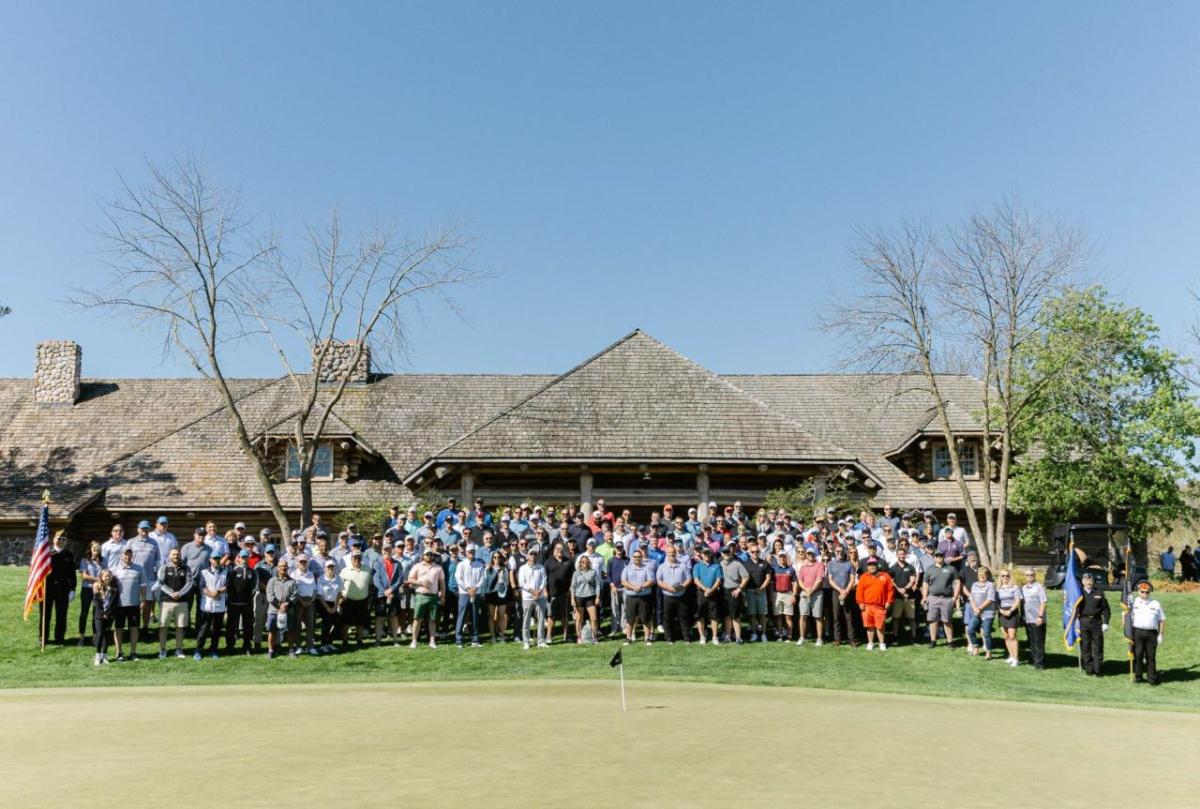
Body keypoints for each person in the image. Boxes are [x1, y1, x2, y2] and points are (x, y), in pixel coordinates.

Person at [1070, 572, 1110, 676]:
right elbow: (1073, 608)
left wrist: (1105, 622)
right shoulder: (1079, 594)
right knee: (1085, 646)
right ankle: (1089, 668)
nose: (1088, 582)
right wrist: (1075, 622)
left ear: (1093, 581)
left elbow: (1106, 610)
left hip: (1096, 622)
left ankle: (1098, 670)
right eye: (1086, 580)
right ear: (1083, 582)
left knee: (1098, 646)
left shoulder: (1099, 593)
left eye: (1090, 580)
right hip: (1083, 622)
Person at [156, 547, 193, 659]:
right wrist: (172, 593)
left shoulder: (186, 568)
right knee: (163, 627)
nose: (176, 556)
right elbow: (161, 583)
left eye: (177, 554)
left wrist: (180, 594)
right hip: (167, 602)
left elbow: (189, 583)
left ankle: (179, 650)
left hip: (182, 602)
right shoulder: (164, 568)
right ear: (169, 556)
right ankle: (162, 650)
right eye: (173, 554)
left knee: (180, 627)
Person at [405, 548, 445, 649]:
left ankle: (432, 640)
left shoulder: (438, 568)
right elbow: (409, 579)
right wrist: (421, 583)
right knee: (417, 619)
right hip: (420, 596)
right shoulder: (417, 566)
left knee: (432, 620)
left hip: (433, 596)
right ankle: (414, 640)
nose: (430, 556)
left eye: (431, 554)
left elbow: (442, 583)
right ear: (423, 556)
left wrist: (443, 596)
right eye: (427, 554)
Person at [42, 531, 76, 646]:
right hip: (48, 588)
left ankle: (60, 638)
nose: (61, 540)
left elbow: (72, 574)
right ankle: (43, 638)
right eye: (59, 538)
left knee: (61, 615)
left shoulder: (69, 555)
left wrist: (73, 589)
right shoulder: (46, 554)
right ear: (54, 539)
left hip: (63, 588)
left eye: (63, 539)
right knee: (45, 614)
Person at [1129, 580, 1166, 685]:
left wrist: (1161, 634)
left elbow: (1162, 620)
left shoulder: (1156, 603)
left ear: (1150, 592)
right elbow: (1127, 616)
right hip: (1137, 632)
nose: (1144, 594)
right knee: (1138, 655)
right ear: (1138, 591)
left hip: (1151, 633)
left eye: (1147, 592)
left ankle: (1152, 678)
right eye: (1142, 591)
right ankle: (1138, 677)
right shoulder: (1134, 602)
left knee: (1151, 656)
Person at [111, 547, 145, 660]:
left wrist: (143, 599)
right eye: (125, 555)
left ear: (132, 556)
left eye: (129, 555)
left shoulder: (139, 568)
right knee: (119, 628)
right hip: (119, 605)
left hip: (134, 604)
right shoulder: (114, 570)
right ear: (121, 556)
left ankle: (133, 652)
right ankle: (119, 652)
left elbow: (143, 585)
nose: (127, 557)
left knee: (134, 628)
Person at [921, 551, 960, 649]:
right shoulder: (930, 569)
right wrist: (925, 596)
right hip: (933, 597)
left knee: (947, 621)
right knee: (933, 620)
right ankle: (933, 641)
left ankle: (950, 642)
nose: (939, 557)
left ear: (944, 557)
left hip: (947, 598)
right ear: (934, 558)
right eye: (937, 556)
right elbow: (925, 584)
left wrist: (955, 597)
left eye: (941, 556)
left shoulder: (951, 568)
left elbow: (957, 582)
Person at [656, 544, 693, 644]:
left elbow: (689, 578)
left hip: (681, 595)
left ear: (676, 553)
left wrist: (683, 586)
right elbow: (659, 581)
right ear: (667, 554)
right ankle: (669, 638)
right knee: (668, 618)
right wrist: (668, 588)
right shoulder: (662, 567)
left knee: (684, 617)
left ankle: (686, 638)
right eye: (670, 552)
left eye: (673, 552)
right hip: (668, 596)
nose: (672, 554)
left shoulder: (683, 565)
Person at [855, 559, 894, 651]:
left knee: (880, 626)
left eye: (873, 565)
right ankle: (871, 643)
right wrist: (860, 602)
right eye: (869, 565)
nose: (871, 567)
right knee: (869, 626)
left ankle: (881, 643)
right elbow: (859, 591)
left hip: (880, 606)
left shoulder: (885, 576)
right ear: (867, 567)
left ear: (877, 566)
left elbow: (890, 590)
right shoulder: (863, 577)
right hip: (867, 606)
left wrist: (889, 602)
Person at [195, 551, 228, 660]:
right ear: (210, 560)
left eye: (218, 558)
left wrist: (217, 591)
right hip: (207, 606)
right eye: (214, 559)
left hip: (220, 607)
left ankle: (214, 650)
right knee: (204, 629)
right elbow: (202, 587)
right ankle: (198, 650)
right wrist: (212, 594)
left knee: (216, 631)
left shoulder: (226, 572)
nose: (216, 561)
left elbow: (228, 586)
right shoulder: (204, 572)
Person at [340, 549, 373, 649]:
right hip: (348, 600)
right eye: (355, 558)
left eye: (359, 558)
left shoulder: (367, 569)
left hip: (362, 600)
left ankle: (359, 639)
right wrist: (341, 597)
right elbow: (339, 585)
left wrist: (369, 599)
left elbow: (370, 585)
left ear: (361, 559)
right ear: (351, 559)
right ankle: (345, 640)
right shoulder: (345, 570)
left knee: (360, 622)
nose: (357, 560)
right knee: (346, 622)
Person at [225, 550, 257, 656]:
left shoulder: (252, 572)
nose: (244, 559)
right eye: (242, 557)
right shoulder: (232, 571)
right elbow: (228, 586)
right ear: (239, 558)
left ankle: (247, 646)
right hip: (233, 603)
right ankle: (230, 646)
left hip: (246, 604)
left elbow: (255, 586)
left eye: (246, 557)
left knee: (247, 626)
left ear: (248, 558)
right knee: (231, 626)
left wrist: (249, 597)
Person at [620, 549, 655, 646]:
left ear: (642, 558)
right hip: (631, 596)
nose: (637, 559)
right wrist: (633, 587)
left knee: (646, 618)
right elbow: (623, 581)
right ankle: (628, 638)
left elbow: (651, 580)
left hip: (644, 596)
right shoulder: (627, 568)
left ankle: (647, 638)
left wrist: (641, 586)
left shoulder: (647, 567)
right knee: (630, 618)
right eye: (635, 557)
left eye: (639, 557)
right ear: (632, 558)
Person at [454, 545, 485, 648]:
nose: (471, 552)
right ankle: (459, 640)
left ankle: (475, 639)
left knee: (475, 616)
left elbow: (482, 578)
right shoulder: (461, 564)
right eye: (469, 551)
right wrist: (468, 589)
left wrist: (475, 588)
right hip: (464, 593)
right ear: (466, 553)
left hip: (476, 593)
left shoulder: (479, 564)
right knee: (461, 616)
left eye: (473, 551)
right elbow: (458, 578)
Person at [266, 559, 297, 659]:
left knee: (290, 631)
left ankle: (291, 650)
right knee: (272, 630)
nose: (283, 568)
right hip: (274, 610)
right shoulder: (272, 581)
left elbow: (295, 596)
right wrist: (280, 606)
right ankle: (271, 650)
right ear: (277, 568)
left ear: (287, 568)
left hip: (289, 610)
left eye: (285, 566)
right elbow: (269, 595)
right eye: (281, 566)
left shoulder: (292, 581)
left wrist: (287, 604)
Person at [543, 542, 574, 644]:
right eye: (557, 549)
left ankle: (566, 636)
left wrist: (570, 590)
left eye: (561, 549)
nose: (559, 551)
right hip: (551, 594)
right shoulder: (548, 562)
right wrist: (545, 591)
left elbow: (572, 578)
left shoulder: (569, 562)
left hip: (564, 594)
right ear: (554, 550)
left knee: (564, 616)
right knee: (551, 616)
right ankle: (548, 636)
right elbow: (543, 578)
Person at [517, 550, 549, 649]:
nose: (533, 556)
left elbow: (544, 580)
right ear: (527, 556)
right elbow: (522, 583)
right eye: (531, 554)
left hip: (540, 597)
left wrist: (539, 591)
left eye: (535, 554)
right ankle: (526, 641)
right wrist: (532, 591)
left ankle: (541, 641)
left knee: (541, 619)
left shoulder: (541, 567)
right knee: (526, 620)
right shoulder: (523, 568)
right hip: (527, 598)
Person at [826, 545, 857, 648]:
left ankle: (852, 639)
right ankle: (837, 639)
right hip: (836, 592)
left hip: (847, 592)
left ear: (844, 552)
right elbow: (830, 580)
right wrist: (840, 591)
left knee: (849, 617)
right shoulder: (830, 564)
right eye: (837, 551)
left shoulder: (849, 564)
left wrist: (846, 591)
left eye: (841, 551)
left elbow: (852, 579)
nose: (839, 553)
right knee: (836, 616)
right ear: (834, 552)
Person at [692, 547, 723, 644]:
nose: (706, 555)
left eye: (708, 553)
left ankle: (714, 637)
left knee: (714, 616)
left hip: (713, 593)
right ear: (701, 554)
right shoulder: (697, 566)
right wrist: (705, 589)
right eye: (704, 553)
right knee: (700, 616)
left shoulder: (717, 566)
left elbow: (719, 580)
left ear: (711, 554)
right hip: (701, 593)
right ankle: (702, 636)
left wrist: (711, 590)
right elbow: (696, 580)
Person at [888, 547, 919, 646]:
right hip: (897, 597)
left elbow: (912, 580)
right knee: (896, 618)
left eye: (903, 554)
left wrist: (905, 589)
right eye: (900, 554)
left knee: (911, 618)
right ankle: (895, 637)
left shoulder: (910, 567)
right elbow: (891, 581)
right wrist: (899, 589)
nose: (902, 555)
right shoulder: (892, 568)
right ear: (897, 555)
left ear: (906, 555)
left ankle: (914, 638)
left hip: (909, 596)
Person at [720, 545, 749, 644]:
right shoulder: (720, 564)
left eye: (728, 552)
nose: (726, 554)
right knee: (727, 616)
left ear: (731, 553)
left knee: (735, 616)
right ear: (722, 554)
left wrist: (739, 589)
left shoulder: (737, 564)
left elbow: (746, 577)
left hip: (734, 591)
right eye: (724, 552)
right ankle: (728, 636)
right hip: (724, 591)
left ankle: (738, 637)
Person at [795, 549, 826, 646]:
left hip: (817, 593)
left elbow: (819, 579)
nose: (810, 555)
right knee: (803, 615)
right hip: (805, 593)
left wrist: (811, 590)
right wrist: (806, 589)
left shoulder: (819, 565)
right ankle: (802, 637)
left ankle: (819, 639)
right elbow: (800, 580)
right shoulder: (803, 567)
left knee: (817, 616)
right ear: (806, 555)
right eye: (808, 553)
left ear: (815, 554)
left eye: (812, 553)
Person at [742, 544, 771, 643]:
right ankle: (754, 633)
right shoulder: (746, 564)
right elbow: (743, 578)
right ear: (750, 553)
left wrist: (762, 587)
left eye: (757, 551)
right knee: (752, 614)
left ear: (759, 552)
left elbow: (768, 578)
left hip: (761, 591)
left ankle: (763, 634)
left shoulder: (765, 563)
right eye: (753, 552)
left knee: (762, 614)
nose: (755, 553)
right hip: (750, 592)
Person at [965, 566, 996, 659]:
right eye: (980, 574)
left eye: (984, 574)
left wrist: (980, 608)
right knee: (970, 630)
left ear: (987, 575)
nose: (982, 576)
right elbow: (971, 597)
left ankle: (989, 652)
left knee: (986, 633)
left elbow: (990, 599)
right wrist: (975, 608)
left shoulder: (990, 585)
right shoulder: (974, 585)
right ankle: (975, 647)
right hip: (976, 612)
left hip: (988, 613)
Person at [570, 553, 602, 644]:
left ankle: (594, 637)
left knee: (594, 618)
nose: (584, 563)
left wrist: (598, 596)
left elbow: (597, 585)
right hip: (579, 597)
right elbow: (573, 586)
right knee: (579, 619)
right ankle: (579, 637)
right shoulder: (576, 573)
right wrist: (572, 598)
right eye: (582, 561)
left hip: (590, 596)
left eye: (586, 561)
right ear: (580, 563)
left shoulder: (593, 572)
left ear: (588, 562)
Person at [1020, 568, 1047, 669]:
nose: (1029, 576)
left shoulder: (1039, 587)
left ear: (1034, 576)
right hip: (1028, 619)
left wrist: (1040, 616)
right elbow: (1022, 604)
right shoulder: (1023, 588)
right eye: (1027, 575)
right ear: (1025, 577)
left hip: (1038, 619)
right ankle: (1034, 661)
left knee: (1039, 642)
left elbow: (1043, 602)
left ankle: (1040, 664)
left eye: (1031, 575)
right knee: (1031, 641)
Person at [290, 554, 317, 656]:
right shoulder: (293, 574)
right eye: (301, 562)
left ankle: (310, 646)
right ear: (297, 563)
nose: (303, 564)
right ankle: (298, 646)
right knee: (297, 625)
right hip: (298, 601)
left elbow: (314, 590)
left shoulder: (310, 574)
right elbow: (293, 591)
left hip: (310, 601)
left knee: (310, 624)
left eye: (304, 562)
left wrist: (310, 601)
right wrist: (301, 601)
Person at [91, 569, 120, 666]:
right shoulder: (97, 586)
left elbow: (114, 603)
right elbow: (95, 601)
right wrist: (102, 612)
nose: (107, 577)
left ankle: (105, 655)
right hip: (99, 615)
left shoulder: (114, 588)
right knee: (99, 634)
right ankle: (98, 656)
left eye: (109, 576)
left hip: (110, 614)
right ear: (101, 577)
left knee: (107, 635)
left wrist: (107, 613)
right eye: (105, 576)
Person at [995, 569, 1023, 667]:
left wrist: (1010, 611)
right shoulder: (998, 588)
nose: (1005, 578)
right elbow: (996, 602)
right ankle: (1011, 656)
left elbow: (1017, 601)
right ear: (1000, 577)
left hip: (1012, 612)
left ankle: (1016, 659)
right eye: (1002, 576)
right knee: (1006, 636)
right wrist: (1001, 611)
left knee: (1012, 636)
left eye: (1007, 576)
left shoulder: (1015, 587)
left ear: (1010, 576)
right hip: (1002, 612)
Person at [77, 541, 102, 646]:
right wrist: (98, 579)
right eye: (94, 548)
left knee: (96, 614)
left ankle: (95, 637)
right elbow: (85, 576)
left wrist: (100, 582)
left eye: (98, 549)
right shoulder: (85, 561)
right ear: (90, 549)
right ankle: (81, 637)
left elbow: (106, 574)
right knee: (84, 613)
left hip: (99, 590)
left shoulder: (103, 561)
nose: (96, 551)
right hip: (87, 589)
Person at [482, 551, 511, 643]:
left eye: (498, 557)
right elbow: (484, 582)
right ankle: (493, 636)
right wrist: (483, 594)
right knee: (491, 616)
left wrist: (503, 586)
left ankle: (502, 635)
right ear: (492, 558)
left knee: (501, 615)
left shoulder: (504, 569)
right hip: (490, 594)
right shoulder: (487, 569)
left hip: (502, 594)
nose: (496, 559)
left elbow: (507, 581)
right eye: (494, 557)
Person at [770, 552, 797, 641]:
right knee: (778, 616)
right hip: (777, 594)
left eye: (783, 557)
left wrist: (794, 595)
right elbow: (771, 583)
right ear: (778, 558)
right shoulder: (774, 569)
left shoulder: (791, 569)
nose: (782, 558)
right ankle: (780, 635)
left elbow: (795, 583)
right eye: (780, 557)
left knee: (788, 616)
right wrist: (771, 594)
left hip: (788, 594)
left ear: (786, 558)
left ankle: (789, 635)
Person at [316, 560, 341, 653]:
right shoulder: (321, 579)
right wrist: (327, 608)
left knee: (337, 622)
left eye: (332, 567)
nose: (330, 569)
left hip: (333, 603)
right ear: (325, 568)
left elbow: (339, 592)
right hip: (323, 603)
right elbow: (320, 596)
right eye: (328, 567)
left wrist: (335, 606)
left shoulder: (338, 578)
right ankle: (323, 644)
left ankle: (330, 642)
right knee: (326, 623)